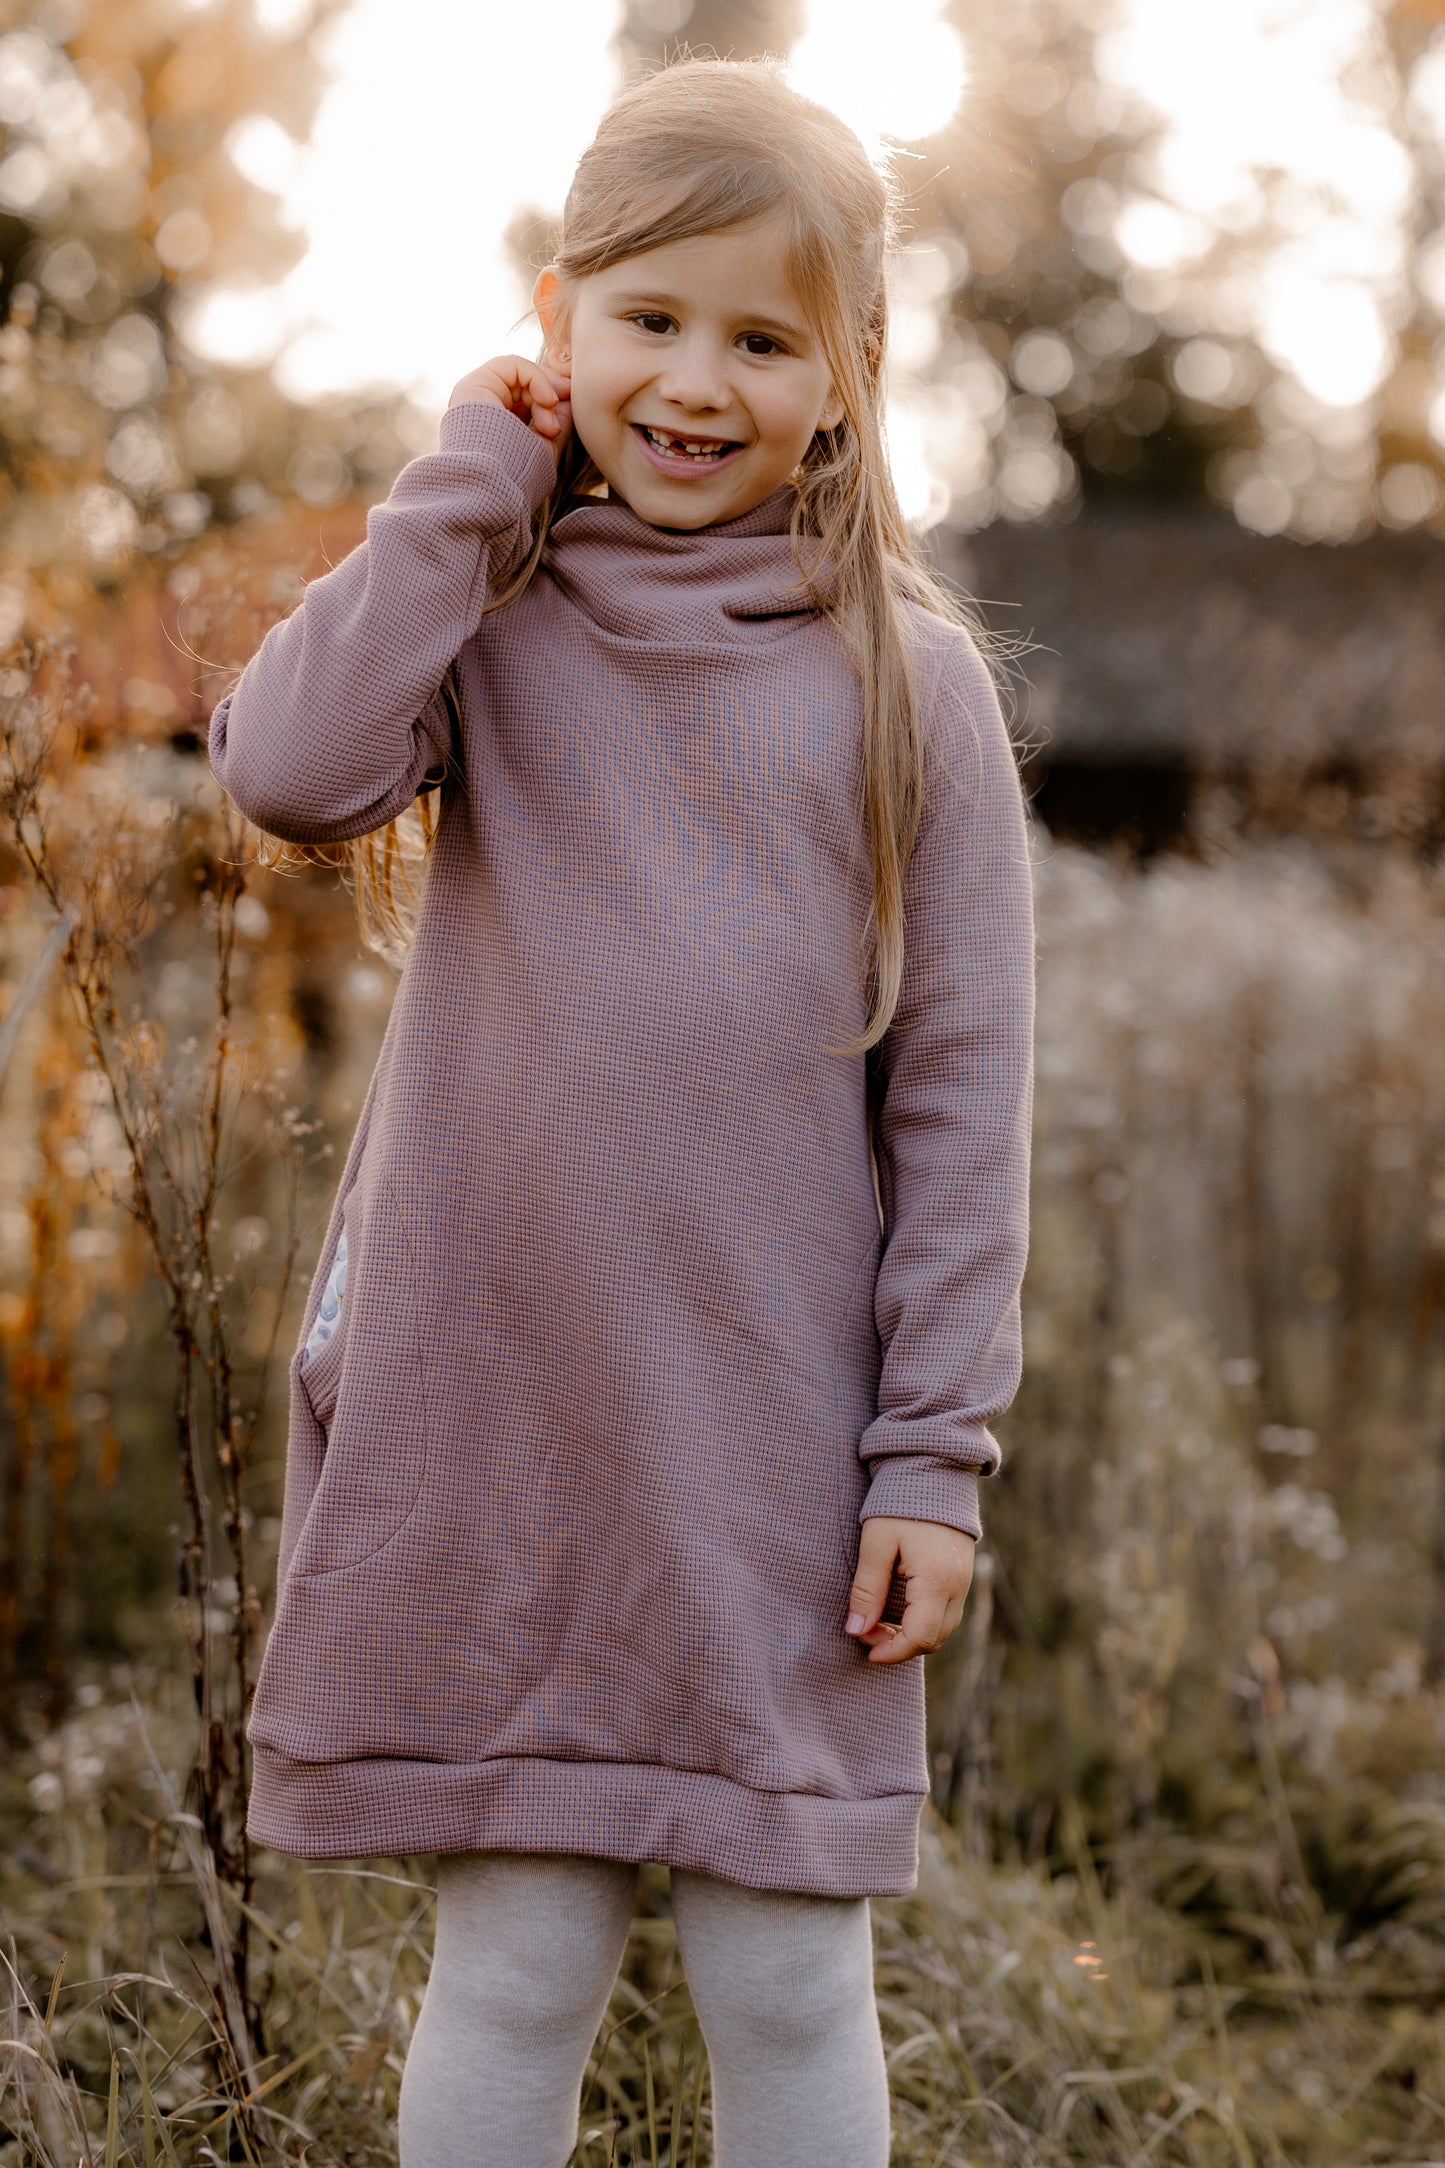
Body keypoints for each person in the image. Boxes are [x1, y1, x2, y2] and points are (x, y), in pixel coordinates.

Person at [208, 53, 1035, 2168]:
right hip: (506, 1417)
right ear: (558, 325)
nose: (697, 380)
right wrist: (468, 478)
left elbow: (962, 1100)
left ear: (848, 377)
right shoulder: (490, 617)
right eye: (648, 319)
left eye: (764, 337)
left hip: (775, 1444)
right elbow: (286, 771)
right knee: (516, 1965)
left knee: (783, 1970)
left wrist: (929, 1457)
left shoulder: (906, 687)